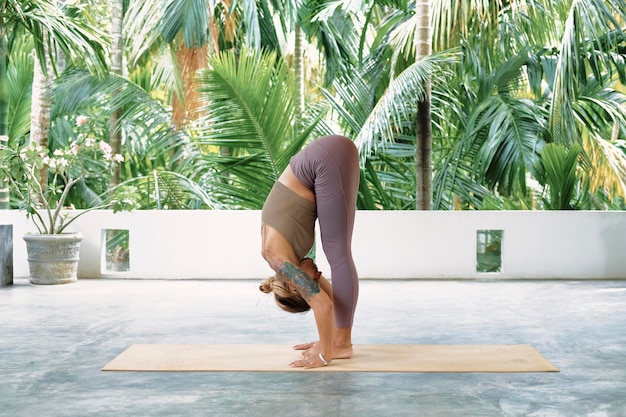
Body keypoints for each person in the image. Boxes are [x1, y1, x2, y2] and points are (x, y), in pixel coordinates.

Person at [259, 135, 360, 369]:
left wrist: (326, 353)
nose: (318, 274)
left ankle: (342, 343)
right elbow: (334, 298)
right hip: (328, 154)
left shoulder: (280, 260)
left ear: (295, 284)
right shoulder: (279, 256)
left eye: (312, 280)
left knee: (339, 253)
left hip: (326, 159)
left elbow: (324, 305)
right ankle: (340, 340)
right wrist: (328, 337)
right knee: (337, 252)